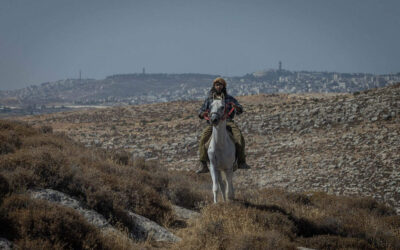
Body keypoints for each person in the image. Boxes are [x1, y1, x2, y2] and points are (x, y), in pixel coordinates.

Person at [196, 77, 250, 174]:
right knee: (203, 138)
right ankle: (203, 164)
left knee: (239, 137)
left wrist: (236, 107)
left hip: (228, 121)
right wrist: (202, 114)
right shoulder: (209, 99)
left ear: (223, 87)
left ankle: (241, 161)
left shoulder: (229, 98)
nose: (218, 87)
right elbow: (201, 111)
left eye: (220, 85)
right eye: (217, 85)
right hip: (213, 123)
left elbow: (240, 109)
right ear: (214, 86)